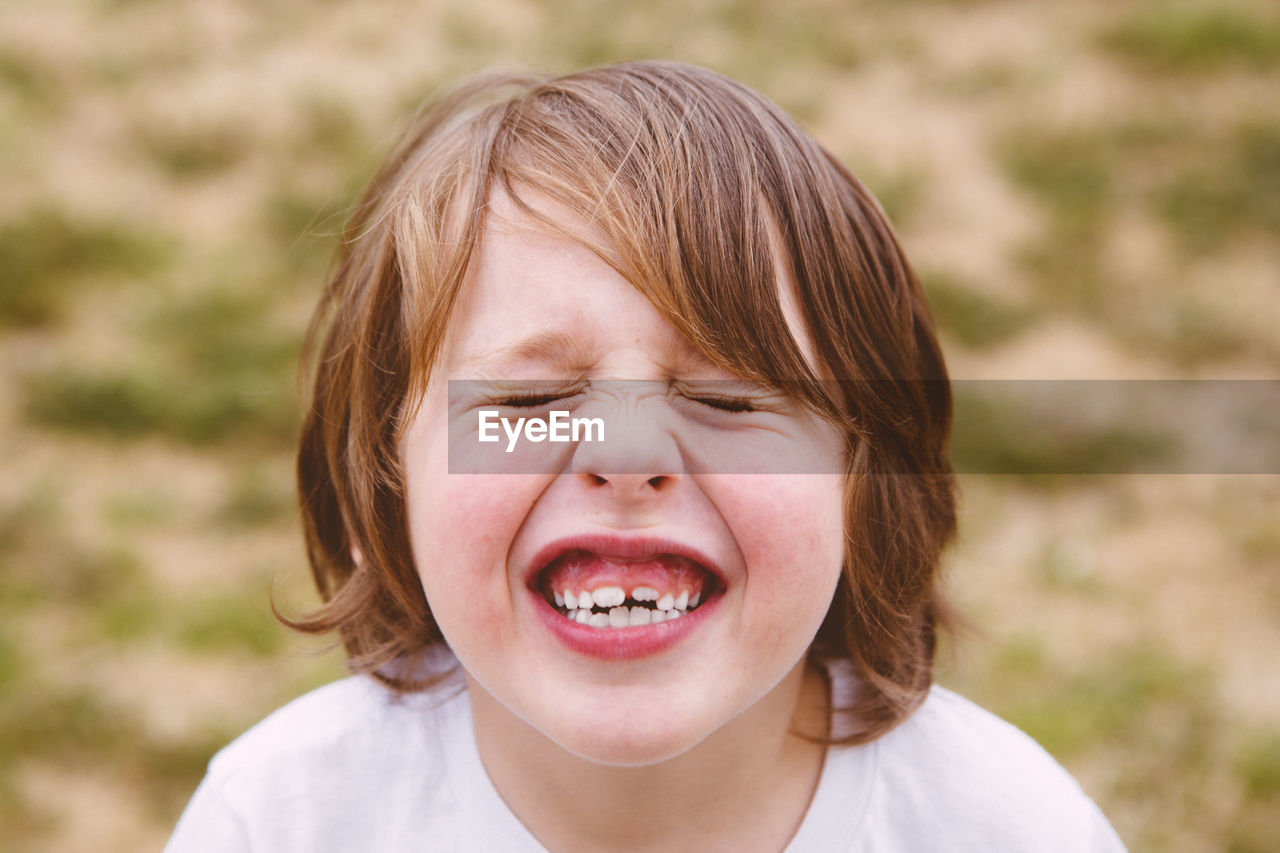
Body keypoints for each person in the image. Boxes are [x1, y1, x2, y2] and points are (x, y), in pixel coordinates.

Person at [165, 61, 1126, 851]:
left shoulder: (1007, 828)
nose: (627, 456)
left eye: (727, 398)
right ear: (387, 479)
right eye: (528, 399)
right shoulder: (282, 820)